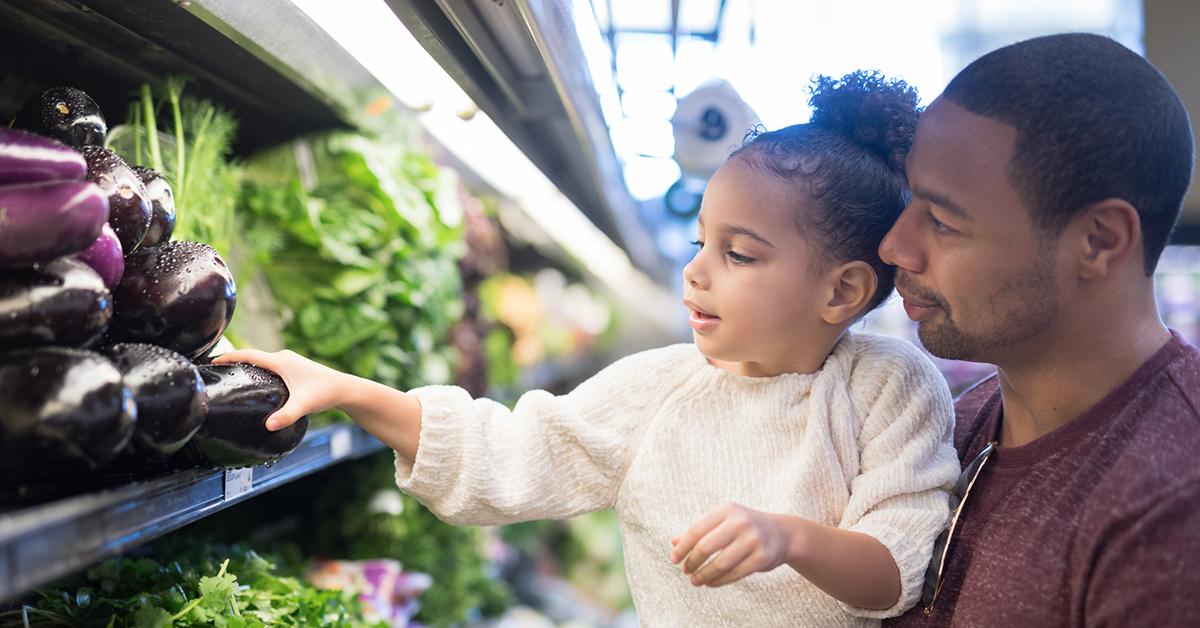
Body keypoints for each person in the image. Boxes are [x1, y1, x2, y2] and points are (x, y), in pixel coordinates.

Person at [215, 71, 960, 626]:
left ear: (842, 292)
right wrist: (347, 388)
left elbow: (897, 571)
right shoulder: (659, 389)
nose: (695, 269)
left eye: (740, 254)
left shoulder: (891, 386)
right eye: (702, 241)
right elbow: (501, 450)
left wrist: (787, 536)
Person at [878, 33, 1200, 627]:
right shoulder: (957, 421)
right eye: (908, 201)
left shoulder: (1172, 504)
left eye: (943, 221)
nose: (894, 245)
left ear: (1099, 241)